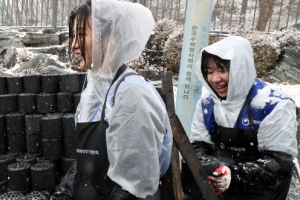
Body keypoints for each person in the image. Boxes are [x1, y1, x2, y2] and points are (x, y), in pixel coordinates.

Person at [50, 0, 173, 199]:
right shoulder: (95, 87)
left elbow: (134, 186)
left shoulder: (130, 93)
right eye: (73, 35)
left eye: (81, 35)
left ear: (111, 39)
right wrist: (65, 192)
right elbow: (86, 160)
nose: (73, 44)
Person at [181, 36, 298, 200]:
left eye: (222, 70)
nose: (215, 79)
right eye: (209, 71)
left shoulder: (272, 105)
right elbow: (199, 147)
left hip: (263, 192)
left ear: (240, 69)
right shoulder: (208, 104)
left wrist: (234, 175)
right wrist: (204, 167)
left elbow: (279, 165)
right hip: (218, 191)